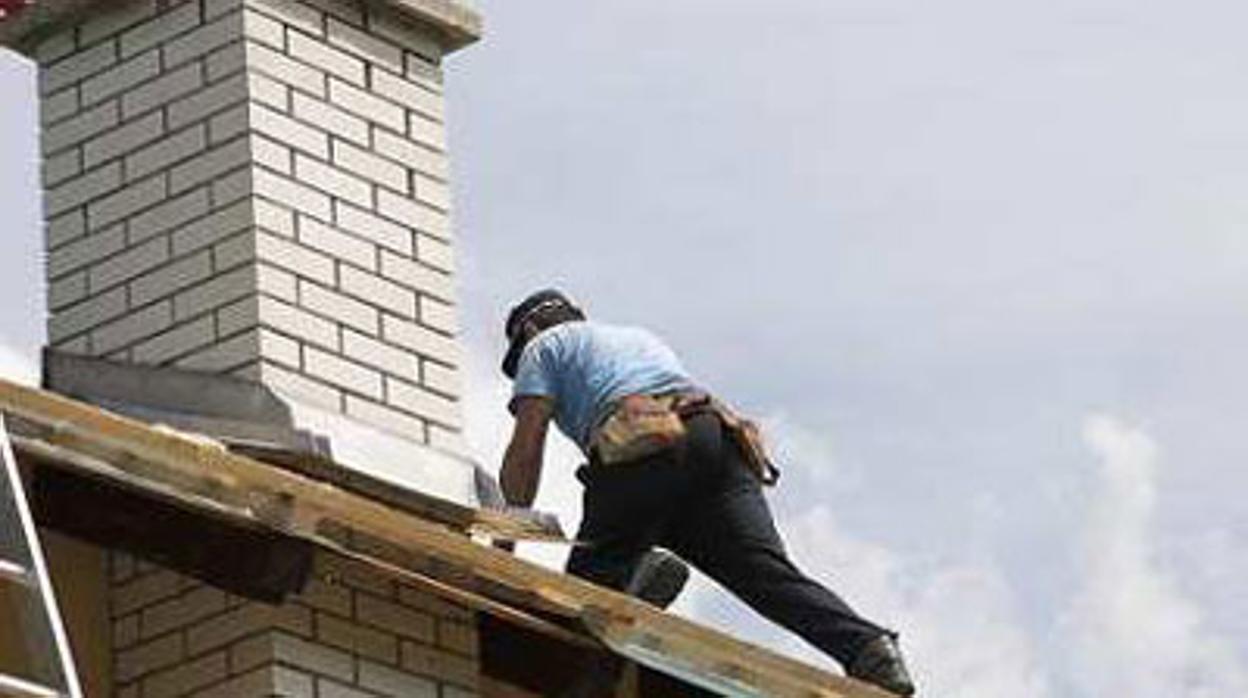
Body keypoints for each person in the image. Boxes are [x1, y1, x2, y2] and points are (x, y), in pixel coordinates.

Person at [497, 289, 916, 696]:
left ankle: (634, 576)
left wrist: (507, 532)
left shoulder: (544, 345)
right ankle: (868, 649)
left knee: (587, 596)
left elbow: (528, 442)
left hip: (643, 443)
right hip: (717, 440)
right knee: (760, 571)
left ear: (530, 327)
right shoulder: (635, 336)